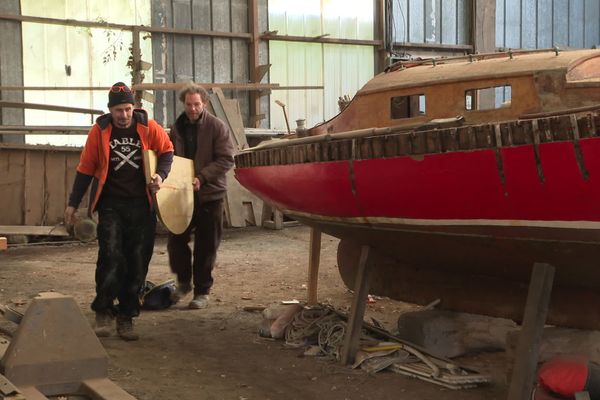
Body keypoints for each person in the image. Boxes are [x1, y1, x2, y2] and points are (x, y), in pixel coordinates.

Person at [64, 82, 173, 341]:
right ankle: (102, 309)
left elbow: (167, 151)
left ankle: (126, 316)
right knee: (111, 256)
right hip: (111, 204)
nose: (123, 115)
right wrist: (72, 204)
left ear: (133, 107)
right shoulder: (99, 131)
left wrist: (160, 175)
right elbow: (85, 169)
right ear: (110, 110)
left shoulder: (148, 126)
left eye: (127, 109)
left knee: (137, 262)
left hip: (142, 205)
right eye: (118, 110)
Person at [167, 84, 234, 309]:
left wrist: (202, 178)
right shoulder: (176, 127)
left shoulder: (217, 127)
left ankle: (202, 291)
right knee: (176, 240)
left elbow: (226, 159)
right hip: (182, 194)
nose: (193, 109)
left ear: (204, 103)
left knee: (206, 246)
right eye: (189, 104)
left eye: (197, 104)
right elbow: (171, 157)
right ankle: (183, 282)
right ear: (183, 104)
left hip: (209, 194)